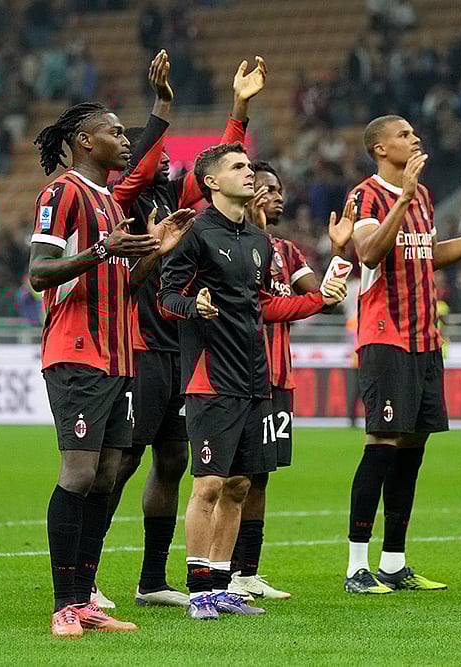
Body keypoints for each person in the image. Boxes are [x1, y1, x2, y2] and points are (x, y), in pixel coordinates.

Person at [101, 56, 268, 609]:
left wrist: (240, 108)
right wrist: (162, 107)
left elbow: (218, 168)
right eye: (154, 154)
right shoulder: (120, 199)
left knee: (174, 463)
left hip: (191, 352)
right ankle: (87, 577)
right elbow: (157, 159)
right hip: (145, 346)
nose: (164, 160)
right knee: (122, 462)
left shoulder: (179, 206)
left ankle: (153, 581)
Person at [337, 115, 461, 594]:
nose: (414, 138)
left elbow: (430, 252)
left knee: (413, 450)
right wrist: (401, 199)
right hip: (385, 336)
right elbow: (369, 254)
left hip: (425, 338)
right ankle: (356, 567)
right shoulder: (367, 195)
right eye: (403, 135)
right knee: (380, 445)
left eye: (414, 133)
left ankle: (394, 563)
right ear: (380, 148)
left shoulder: (422, 195)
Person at [157, 143, 347, 619]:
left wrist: (319, 300)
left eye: (249, 166)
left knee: (240, 485)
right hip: (210, 377)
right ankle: (199, 589)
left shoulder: (260, 244)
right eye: (239, 168)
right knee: (208, 486)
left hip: (255, 376)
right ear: (213, 182)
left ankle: (222, 585)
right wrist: (192, 305)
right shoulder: (195, 234)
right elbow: (165, 297)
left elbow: (262, 306)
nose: (250, 175)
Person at [29, 100, 196, 638]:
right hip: (77, 352)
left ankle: (84, 599)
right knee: (78, 474)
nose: (126, 142)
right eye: (116, 133)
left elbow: (123, 283)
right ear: (84, 140)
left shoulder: (108, 203)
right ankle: (63, 605)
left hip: (119, 356)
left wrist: (157, 251)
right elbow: (39, 273)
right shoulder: (63, 193)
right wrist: (104, 248)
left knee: (105, 475)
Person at [226, 161, 355, 601]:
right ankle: (216, 572)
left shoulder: (286, 250)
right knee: (230, 479)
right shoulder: (234, 246)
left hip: (278, 377)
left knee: (259, 476)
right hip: (237, 376)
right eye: (272, 189)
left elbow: (326, 301)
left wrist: (339, 256)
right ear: (253, 194)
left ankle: (246, 572)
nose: (281, 196)